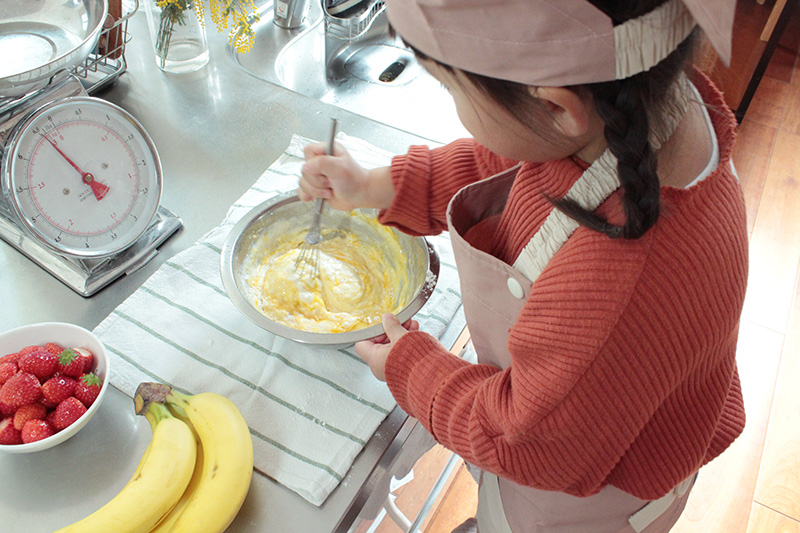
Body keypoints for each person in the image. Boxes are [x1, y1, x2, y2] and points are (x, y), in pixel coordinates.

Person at [298, 0, 747, 531]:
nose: (454, 104)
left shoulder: (612, 289)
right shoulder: (632, 107)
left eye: (451, 89)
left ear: (556, 106)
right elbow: (508, 160)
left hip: (585, 501)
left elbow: (522, 441)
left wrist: (411, 367)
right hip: (590, 418)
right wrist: (374, 186)